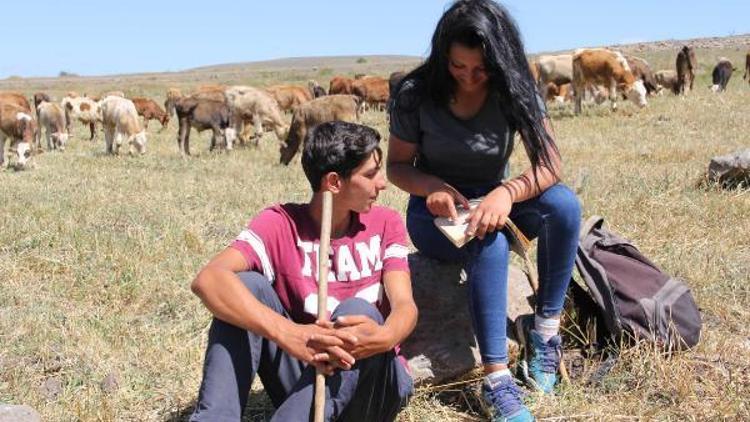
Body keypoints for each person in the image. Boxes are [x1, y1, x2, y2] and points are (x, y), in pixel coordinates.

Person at [387, 1, 581, 421]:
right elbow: (397, 167)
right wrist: (433, 187)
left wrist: (508, 193)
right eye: (458, 67)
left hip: (498, 200)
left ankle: (545, 331)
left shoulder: (515, 88)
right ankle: (495, 380)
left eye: (481, 69)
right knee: (487, 240)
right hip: (434, 213)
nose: (470, 78)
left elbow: (550, 165)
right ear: (443, 55)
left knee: (563, 206)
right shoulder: (415, 94)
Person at [189, 121, 417, 421]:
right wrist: (290, 334)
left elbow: (404, 306)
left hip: (374, 383)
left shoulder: (385, 222)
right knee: (243, 286)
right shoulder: (280, 223)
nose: (383, 183)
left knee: (358, 311)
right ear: (334, 182)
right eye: (370, 174)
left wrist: (386, 336)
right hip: (308, 381)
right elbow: (208, 280)